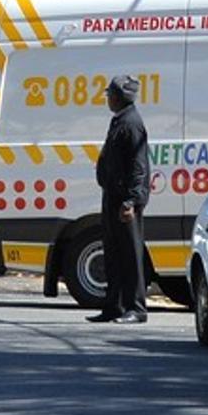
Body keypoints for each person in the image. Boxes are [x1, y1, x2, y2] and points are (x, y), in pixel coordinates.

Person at [87, 75, 151, 325]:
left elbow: (139, 167)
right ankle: (114, 305)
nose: (108, 99)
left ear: (119, 96)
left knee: (130, 255)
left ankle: (136, 308)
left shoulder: (132, 124)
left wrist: (132, 202)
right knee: (113, 253)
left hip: (125, 201)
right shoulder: (119, 121)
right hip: (112, 196)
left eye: (110, 94)